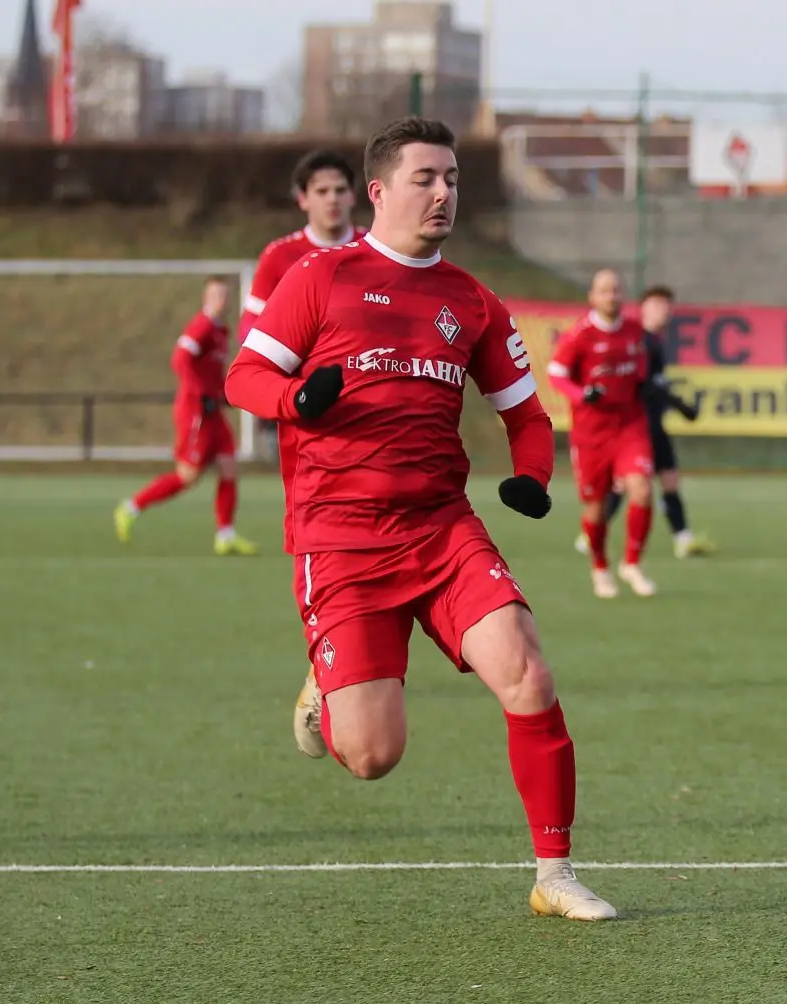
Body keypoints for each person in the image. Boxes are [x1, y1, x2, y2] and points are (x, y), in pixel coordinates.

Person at [224, 116, 616, 922]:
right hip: (338, 538)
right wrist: (294, 398)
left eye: (453, 179)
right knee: (372, 756)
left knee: (527, 670)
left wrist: (534, 477)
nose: (444, 194)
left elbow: (527, 416)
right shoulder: (319, 277)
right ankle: (325, 688)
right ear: (379, 191)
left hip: (442, 527)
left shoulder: (471, 299)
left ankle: (555, 873)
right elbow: (244, 376)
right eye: (425, 179)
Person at [238, 150, 370, 463]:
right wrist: (286, 391)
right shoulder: (279, 256)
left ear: (354, 196)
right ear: (303, 199)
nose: (332, 200)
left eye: (340, 190)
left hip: (367, 402)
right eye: (321, 191)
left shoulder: (376, 250)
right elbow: (251, 331)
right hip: (307, 410)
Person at [114, 277, 259, 555]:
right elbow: (180, 359)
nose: (221, 300)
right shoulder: (201, 325)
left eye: (225, 295)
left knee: (229, 467)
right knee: (187, 476)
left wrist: (224, 394)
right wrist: (200, 394)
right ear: (205, 298)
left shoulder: (220, 330)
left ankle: (225, 535)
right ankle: (130, 508)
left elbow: (211, 373)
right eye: (216, 295)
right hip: (196, 412)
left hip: (212, 411)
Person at [546, 269, 660, 599]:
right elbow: (556, 374)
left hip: (629, 425)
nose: (612, 296)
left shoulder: (634, 331)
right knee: (596, 508)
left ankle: (632, 563)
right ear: (592, 297)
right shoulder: (579, 336)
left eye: (616, 290)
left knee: (641, 488)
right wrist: (582, 395)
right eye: (605, 291)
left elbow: (640, 369)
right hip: (592, 432)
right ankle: (600, 568)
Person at [579, 285, 714, 559]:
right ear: (643, 309)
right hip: (637, 425)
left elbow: (656, 385)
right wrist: (683, 407)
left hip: (655, 424)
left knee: (669, 480)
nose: (663, 311)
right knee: (624, 486)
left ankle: (683, 539)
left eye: (666, 305)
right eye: (656, 305)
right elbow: (647, 385)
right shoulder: (639, 340)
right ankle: (591, 533)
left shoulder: (655, 341)